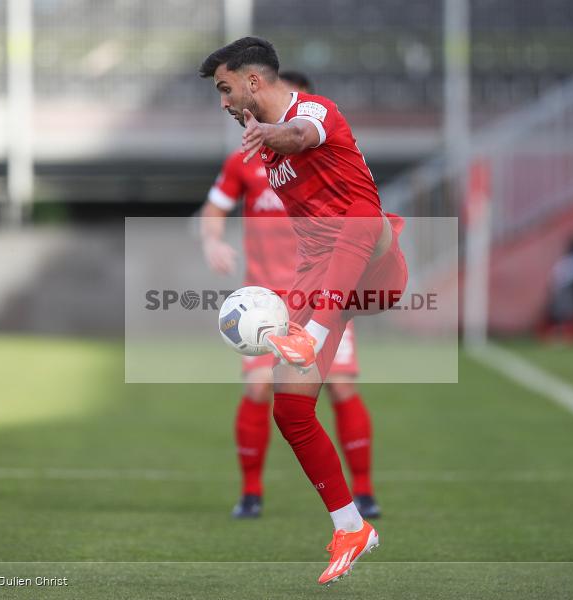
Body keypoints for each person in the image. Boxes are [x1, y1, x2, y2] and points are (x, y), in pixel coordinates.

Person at [200, 37, 408, 585]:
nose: (222, 102)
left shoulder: (313, 111)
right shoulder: (258, 151)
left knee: (358, 218)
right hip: (323, 281)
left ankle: (311, 335)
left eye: (225, 89)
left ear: (252, 82)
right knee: (290, 410)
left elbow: (304, 131)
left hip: (376, 263)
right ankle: (350, 526)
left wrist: (273, 132)